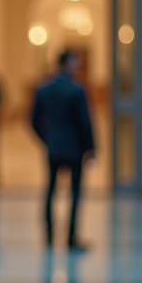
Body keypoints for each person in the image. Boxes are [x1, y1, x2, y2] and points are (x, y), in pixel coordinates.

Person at [31, 50, 95, 251]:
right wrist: (90, 148)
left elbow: (33, 120)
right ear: (68, 63)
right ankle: (70, 236)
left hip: (54, 147)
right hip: (75, 148)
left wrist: (47, 139)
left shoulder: (43, 88)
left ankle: (49, 234)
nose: (78, 66)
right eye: (76, 61)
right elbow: (85, 122)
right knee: (75, 192)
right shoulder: (77, 90)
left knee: (50, 189)